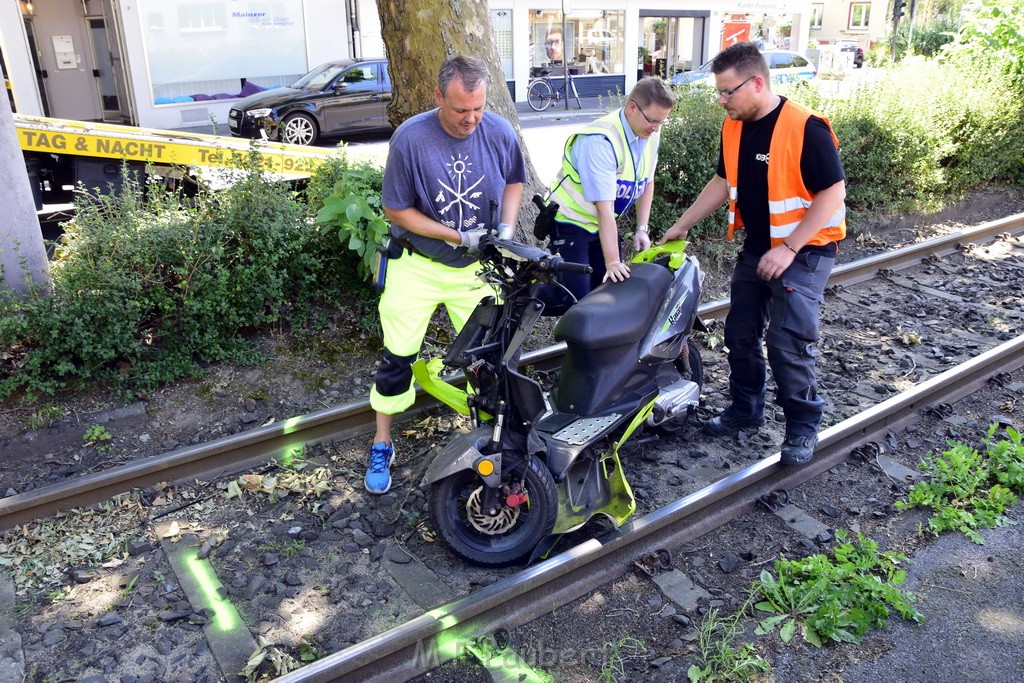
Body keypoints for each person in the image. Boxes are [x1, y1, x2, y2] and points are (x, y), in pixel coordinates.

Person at [659, 42, 846, 466]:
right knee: (740, 334)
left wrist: (790, 248)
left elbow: (833, 193)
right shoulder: (735, 126)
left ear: (757, 82)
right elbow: (723, 181)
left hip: (806, 250)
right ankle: (746, 410)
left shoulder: (805, 127)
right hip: (760, 247)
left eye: (728, 92)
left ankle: (802, 424)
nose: (722, 100)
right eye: (719, 93)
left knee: (788, 342)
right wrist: (683, 224)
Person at [366, 55, 527, 494]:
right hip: (415, 264)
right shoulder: (410, 139)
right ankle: (382, 443)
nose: (471, 119)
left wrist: (506, 229)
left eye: (478, 108)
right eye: (461, 110)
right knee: (397, 358)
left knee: (489, 359)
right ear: (438, 97)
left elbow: (515, 179)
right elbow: (396, 209)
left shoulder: (497, 130)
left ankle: (492, 440)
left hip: (476, 268)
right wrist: (458, 236)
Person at [545, 77, 675, 304]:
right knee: (574, 297)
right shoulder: (601, 142)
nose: (656, 129)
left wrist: (641, 228)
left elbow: (647, 181)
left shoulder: (649, 131)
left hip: (602, 224)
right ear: (632, 108)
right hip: (572, 222)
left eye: (661, 122)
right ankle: (519, 298)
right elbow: (604, 208)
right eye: (653, 121)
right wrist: (613, 261)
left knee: (607, 291)